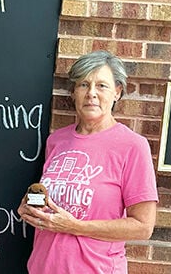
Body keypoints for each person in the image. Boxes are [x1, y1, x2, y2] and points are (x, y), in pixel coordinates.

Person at [18, 50, 158, 273]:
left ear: (117, 92)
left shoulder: (132, 146)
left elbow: (143, 227)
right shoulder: (57, 141)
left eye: (101, 85)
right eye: (83, 85)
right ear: (73, 92)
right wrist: (31, 208)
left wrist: (75, 227)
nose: (91, 93)